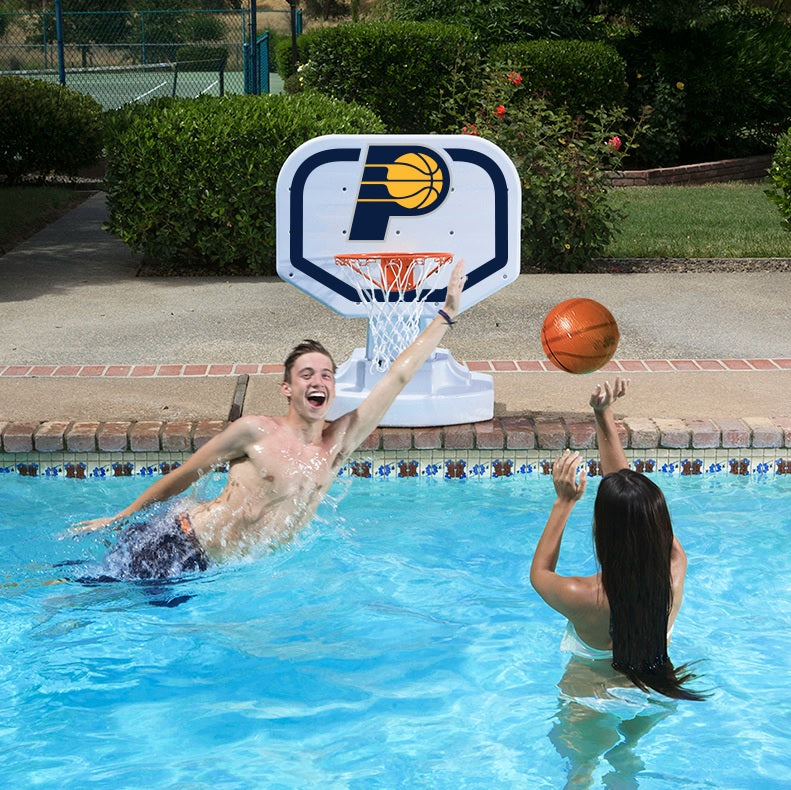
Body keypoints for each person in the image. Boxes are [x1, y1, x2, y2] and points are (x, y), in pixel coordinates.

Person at [74, 260, 467, 580]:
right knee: (83, 596)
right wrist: (121, 517)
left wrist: (446, 315)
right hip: (179, 542)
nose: (318, 381)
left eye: (326, 375)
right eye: (306, 375)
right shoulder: (255, 431)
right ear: (287, 389)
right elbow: (186, 474)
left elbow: (397, 376)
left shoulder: (336, 445)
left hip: (210, 569)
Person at [530, 377, 706, 702]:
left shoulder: (584, 596)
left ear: (603, 535)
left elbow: (539, 574)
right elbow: (632, 504)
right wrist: (604, 415)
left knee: (577, 738)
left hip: (589, 694)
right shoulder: (675, 569)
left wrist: (564, 502)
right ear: (660, 526)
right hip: (654, 687)